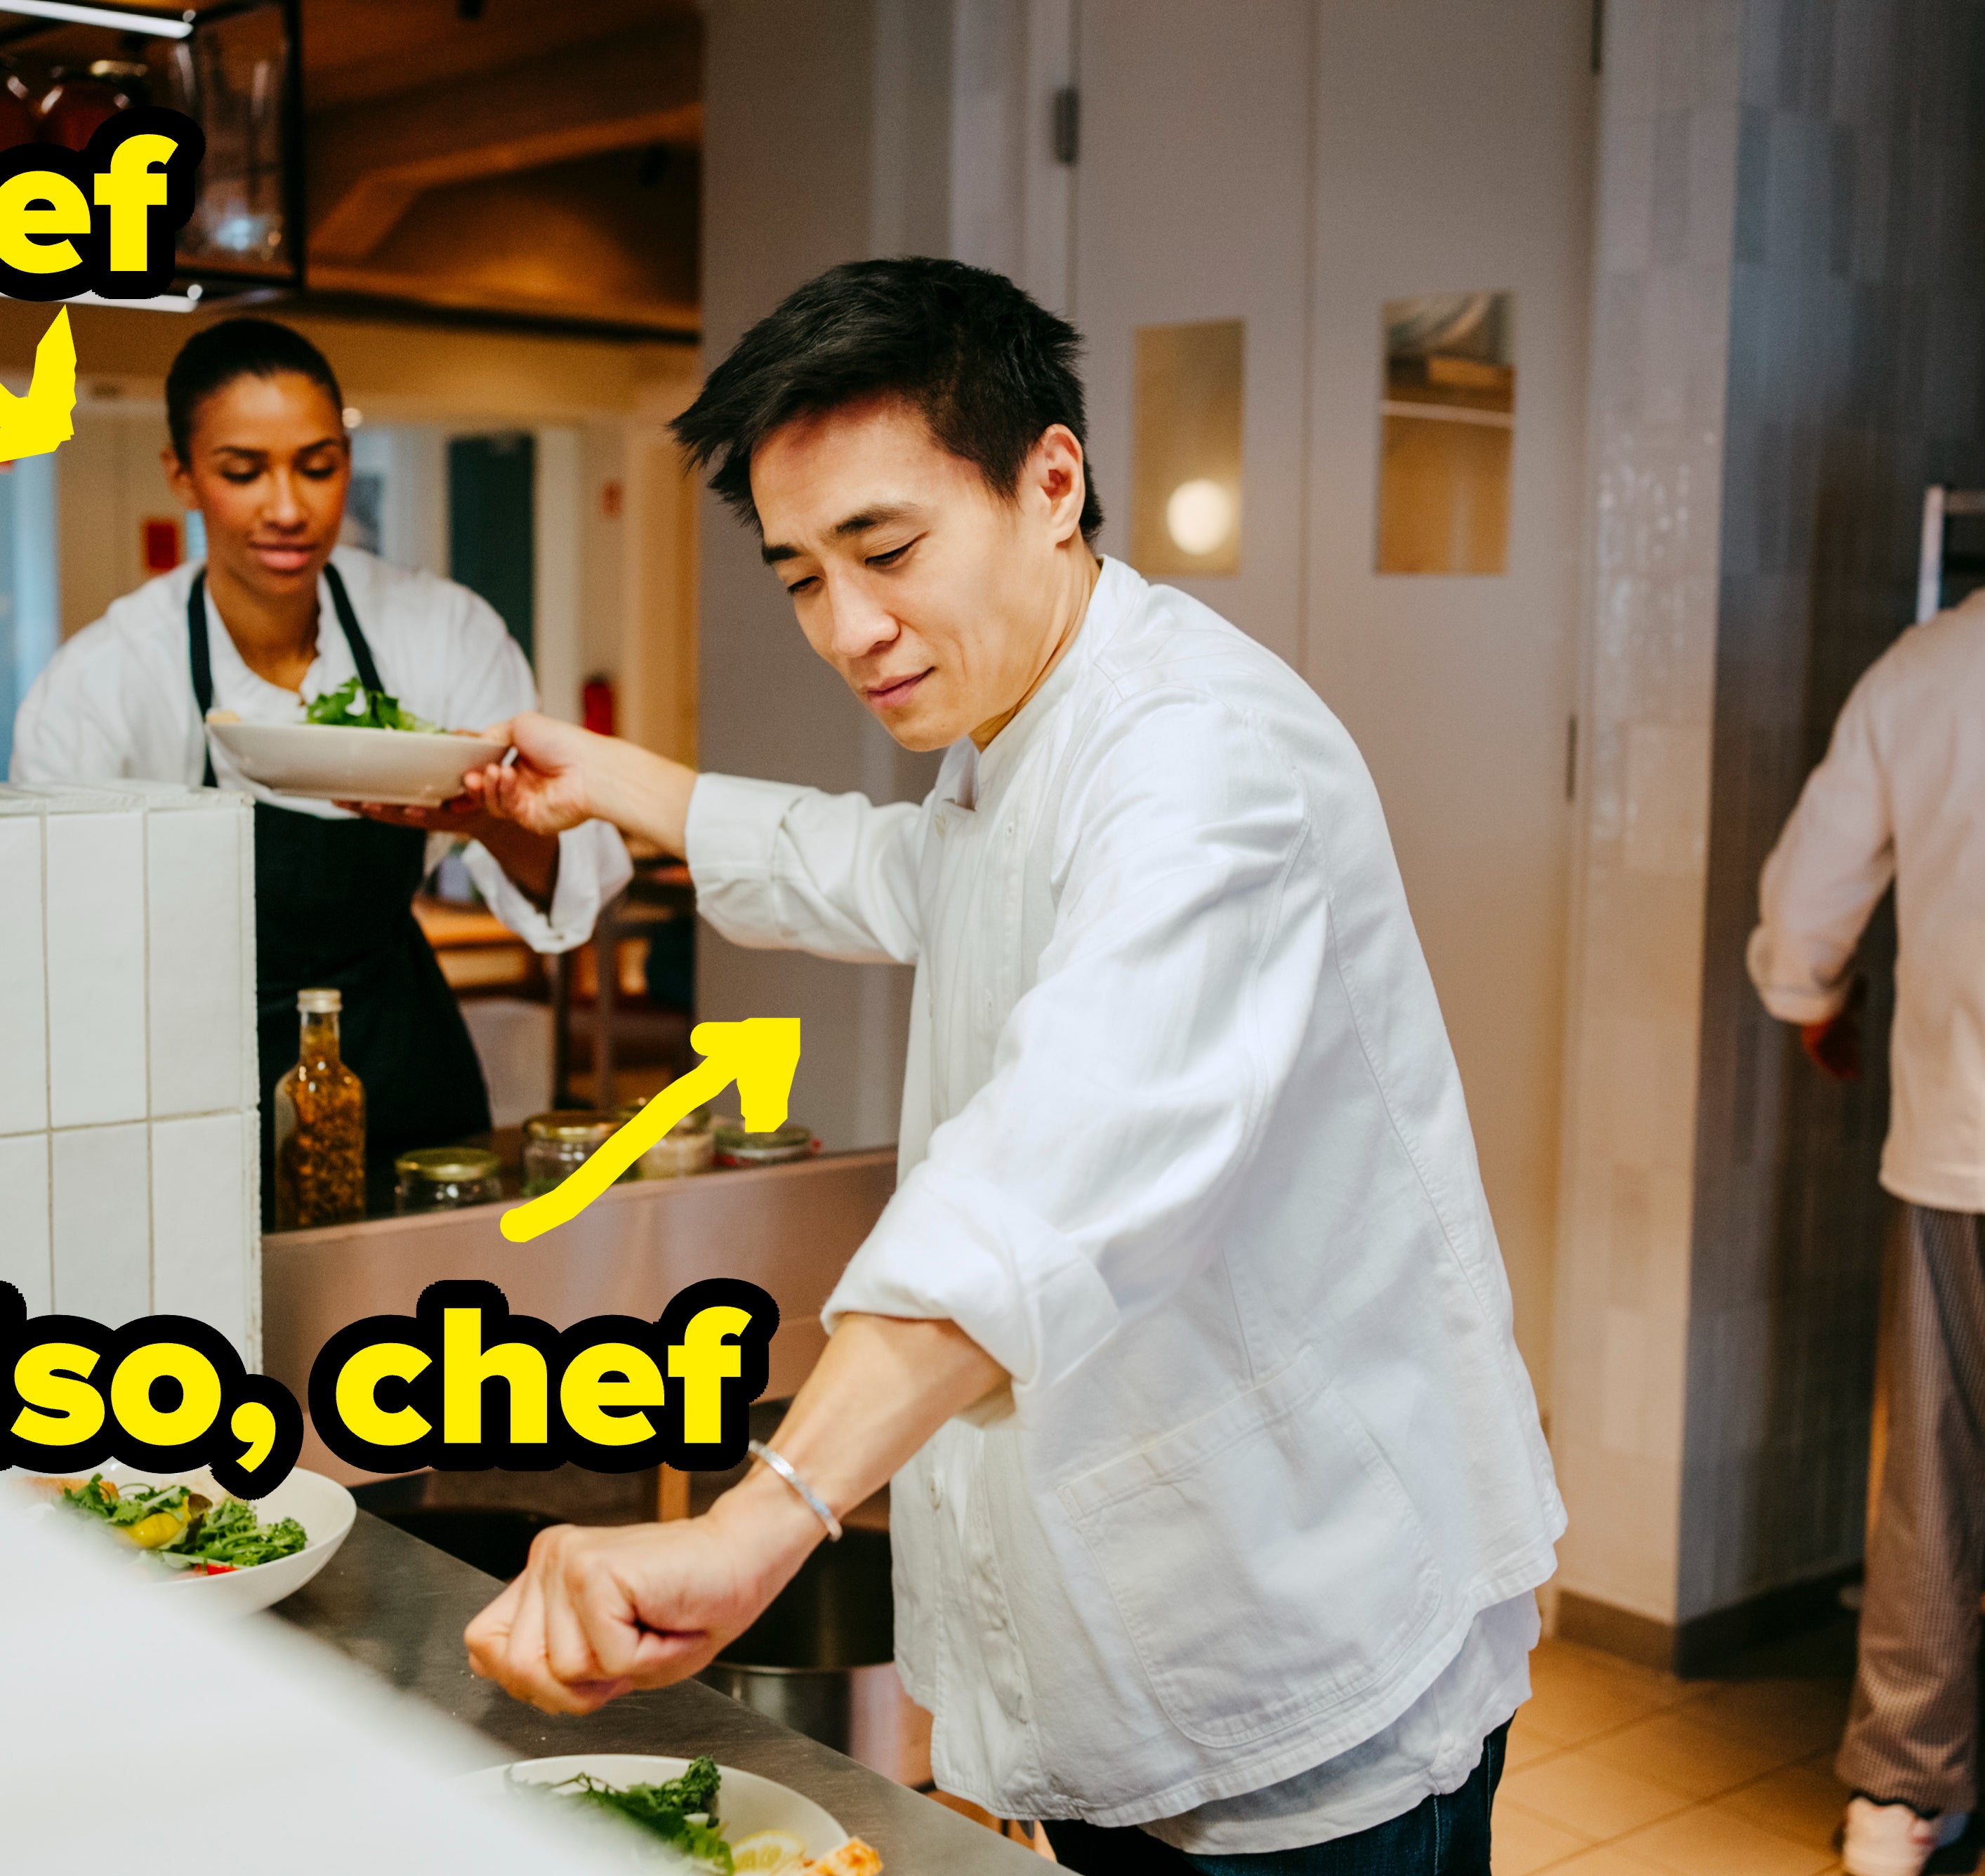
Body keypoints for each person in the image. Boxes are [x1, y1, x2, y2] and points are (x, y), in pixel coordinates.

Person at [460, 258, 1562, 1875]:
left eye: (884, 550)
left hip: (1296, 1648)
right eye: (798, 577)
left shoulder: (1200, 759)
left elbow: (1053, 1155)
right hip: (1159, 1621)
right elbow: (905, 871)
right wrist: (618, 780)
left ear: (1051, 480)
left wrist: (760, 1512)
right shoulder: (1035, 727)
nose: (848, 627)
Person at [11, 318, 629, 1191]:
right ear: (180, 474)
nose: (289, 507)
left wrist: (484, 819)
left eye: (317, 463)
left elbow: (575, 882)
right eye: (242, 471)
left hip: (399, 1056)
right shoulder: (103, 681)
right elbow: (55, 947)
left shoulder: (439, 630)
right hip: (190, 1084)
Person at [1748, 588, 1985, 1876]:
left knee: (1936, 1475)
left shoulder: (1929, 667)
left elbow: (1811, 899)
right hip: (1948, 1145)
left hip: (1957, 1145)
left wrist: (1809, 994)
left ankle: (1898, 1794)